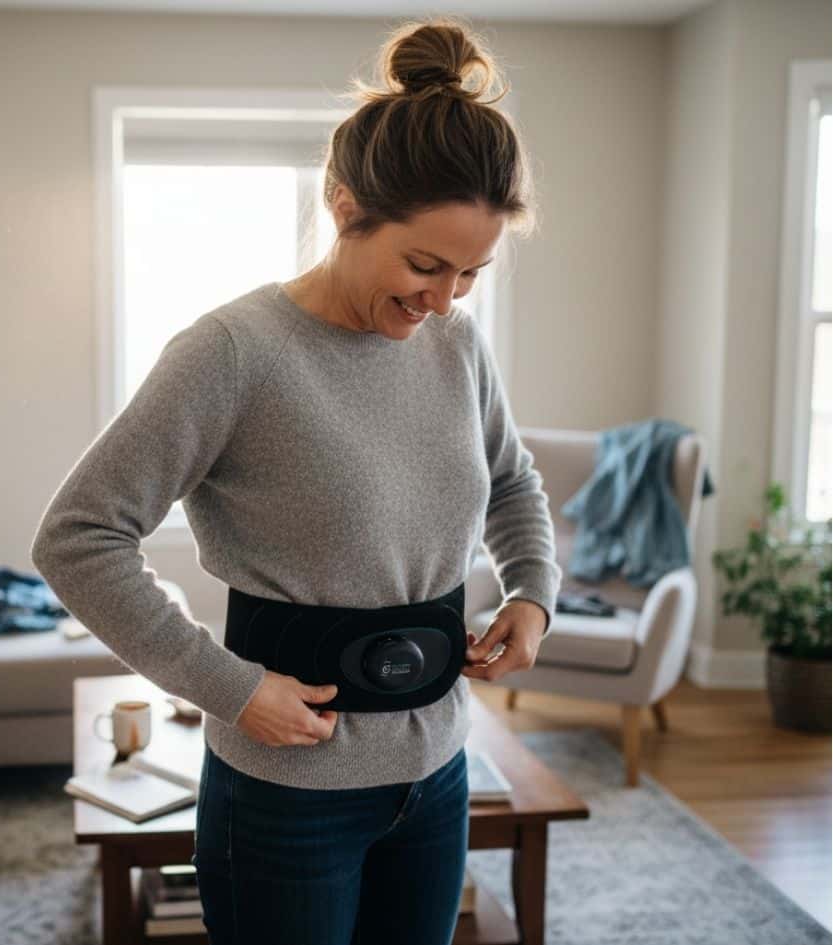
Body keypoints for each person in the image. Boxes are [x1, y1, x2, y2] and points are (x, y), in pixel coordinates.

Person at [30, 14, 562, 945]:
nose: (441, 300)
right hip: (287, 794)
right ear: (344, 204)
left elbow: (512, 482)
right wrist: (224, 684)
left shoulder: (455, 344)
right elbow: (78, 535)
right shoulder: (233, 353)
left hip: (437, 772)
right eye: (424, 265)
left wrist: (533, 592)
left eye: (470, 274)